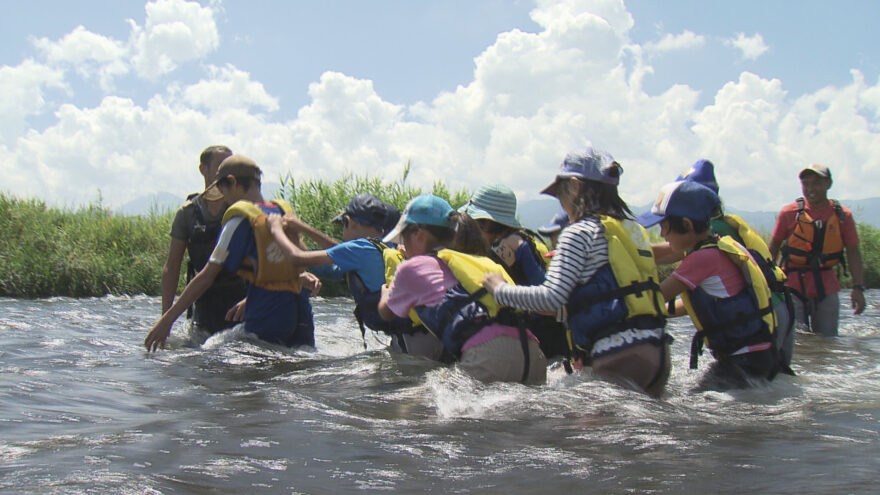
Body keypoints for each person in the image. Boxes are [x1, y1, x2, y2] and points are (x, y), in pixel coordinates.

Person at [483, 147, 670, 397]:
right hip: (658, 352)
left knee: (578, 432)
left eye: (559, 194)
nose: (560, 202)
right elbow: (590, 301)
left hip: (620, 354)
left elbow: (551, 299)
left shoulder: (579, 232)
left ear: (573, 187)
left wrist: (500, 290)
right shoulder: (632, 230)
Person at [146, 155, 319, 351]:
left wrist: (166, 321)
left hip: (266, 319)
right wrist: (251, 299)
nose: (222, 197)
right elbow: (300, 262)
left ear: (233, 183)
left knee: (210, 352)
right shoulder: (281, 213)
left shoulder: (237, 222)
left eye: (222, 189)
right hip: (300, 316)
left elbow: (206, 276)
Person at [638, 159, 795, 372]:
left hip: (745, 360)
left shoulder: (702, 257)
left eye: (664, 228)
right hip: (756, 349)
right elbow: (702, 302)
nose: (662, 234)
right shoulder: (713, 243)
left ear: (686, 224)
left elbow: (653, 298)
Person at [377, 194, 547, 384]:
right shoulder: (478, 262)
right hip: (533, 355)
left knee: (413, 404)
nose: (402, 246)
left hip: (489, 355)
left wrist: (386, 292)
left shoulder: (412, 267)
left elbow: (386, 314)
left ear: (419, 235)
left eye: (403, 238)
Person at [266, 193, 434, 355]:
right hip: (428, 333)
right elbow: (330, 267)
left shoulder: (358, 249)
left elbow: (298, 259)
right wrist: (300, 230)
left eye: (342, 223)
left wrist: (276, 229)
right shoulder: (389, 246)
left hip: (411, 342)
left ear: (351, 222)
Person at [459, 184, 569, 360]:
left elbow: (544, 291)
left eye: (473, 223)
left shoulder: (515, 245)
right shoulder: (513, 241)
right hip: (536, 335)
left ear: (486, 223)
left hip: (544, 337)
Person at [768, 164, 866, 337]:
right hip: (793, 285)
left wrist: (858, 287)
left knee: (828, 340)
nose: (810, 189)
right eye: (806, 184)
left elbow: (853, 252)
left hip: (827, 286)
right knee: (796, 339)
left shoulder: (843, 216)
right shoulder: (788, 213)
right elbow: (772, 249)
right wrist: (768, 284)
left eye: (816, 183)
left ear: (828, 184)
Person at [161, 145, 247, 338]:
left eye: (231, 167)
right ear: (203, 169)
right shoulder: (188, 213)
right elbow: (172, 267)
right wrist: (165, 320)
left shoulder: (243, 210)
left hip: (241, 301)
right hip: (205, 302)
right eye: (221, 166)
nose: (227, 173)